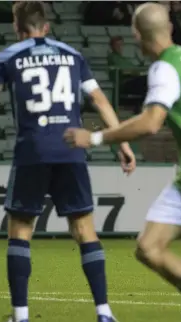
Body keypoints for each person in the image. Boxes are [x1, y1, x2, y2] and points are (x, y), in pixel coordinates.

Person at [0, 1, 136, 322]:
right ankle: (104, 314)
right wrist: (122, 142)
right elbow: (100, 100)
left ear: (17, 27)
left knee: (20, 230)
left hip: (32, 151)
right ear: (45, 26)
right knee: (85, 231)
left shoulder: (8, 56)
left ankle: (20, 317)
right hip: (71, 148)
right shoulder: (72, 55)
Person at [64, 2, 181, 294]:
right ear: (168, 28)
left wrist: (94, 138)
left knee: (150, 248)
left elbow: (151, 122)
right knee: (149, 247)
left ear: (137, 36)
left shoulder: (165, 68)